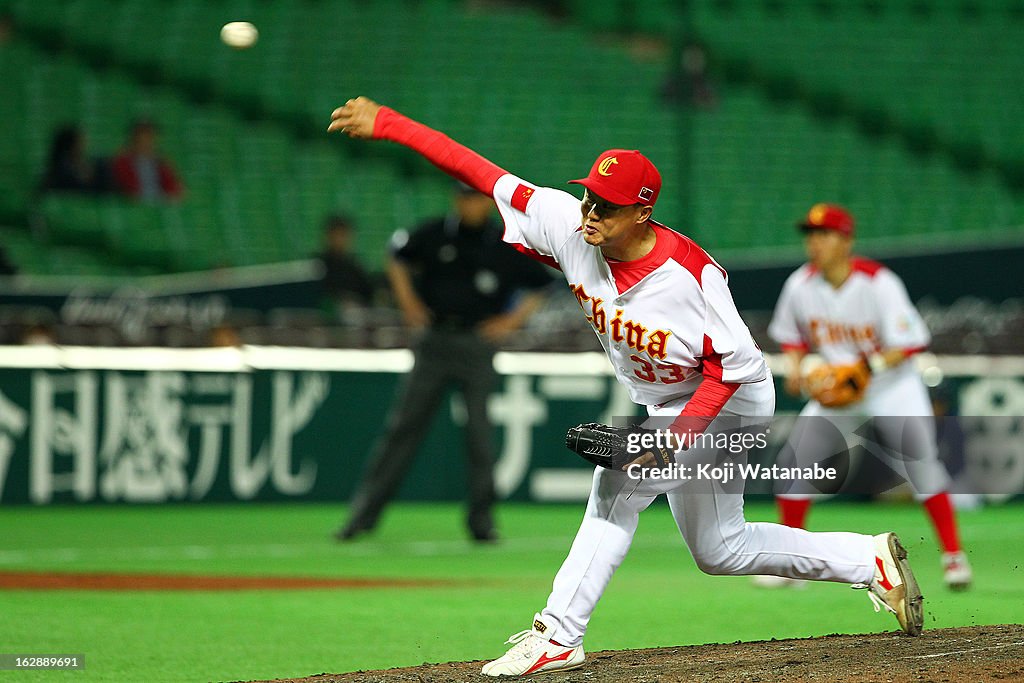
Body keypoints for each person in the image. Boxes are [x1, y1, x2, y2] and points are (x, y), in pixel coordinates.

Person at [328, 97, 924, 677]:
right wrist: (391, 125)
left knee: (617, 484)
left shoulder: (692, 277)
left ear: (642, 213)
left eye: (607, 205)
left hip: (730, 399)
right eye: (589, 194)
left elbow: (732, 368)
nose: (590, 211)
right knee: (722, 550)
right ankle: (866, 559)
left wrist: (674, 441)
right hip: (667, 398)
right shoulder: (569, 223)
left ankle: (558, 635)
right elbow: (482, 174)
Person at [763, 203, 971, 591]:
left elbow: (909, 342)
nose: (814, 243)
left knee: (922, 467)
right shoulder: (800, 284)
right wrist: (796, 368)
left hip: (891, 386)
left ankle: (954, 558)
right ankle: (792, 567)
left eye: (824, 234)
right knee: (794, 467)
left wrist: (864, 369)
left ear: (846, 241)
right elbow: (791, 337)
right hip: (837, 391)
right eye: (810, 235)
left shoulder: (879, 282)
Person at [335, 182, 553, 544]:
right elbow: (396, 256)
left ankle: (481, 522)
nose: (471, 205)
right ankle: (362, 516)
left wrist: (511, 321)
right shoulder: (434, 233)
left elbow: (542, 283)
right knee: (402, 430)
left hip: (476, 344)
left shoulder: (502, 243)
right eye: (465, 198)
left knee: (480, 437)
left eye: (477, 198)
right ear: (457, 200)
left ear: (487, 203)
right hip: (435, 341)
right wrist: (409, 304)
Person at [315, 214, 376, 319]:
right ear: (328, 236)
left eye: (342, 235)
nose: (339, 240)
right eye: (335, 234)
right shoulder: (316, 266)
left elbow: (369, 297)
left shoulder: (355, 268)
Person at [111, 120, 184, 201]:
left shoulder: (161, 162)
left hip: (161, 204)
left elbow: (175, 187)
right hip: (134, 206)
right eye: (142, 138)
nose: (146, 142)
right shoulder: (122, 162)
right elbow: (126, 191)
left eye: (150, 137)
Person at [40, 125, 105, 194]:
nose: (84, 146)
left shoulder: (80, 164)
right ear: (71, 145)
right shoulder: (62, 170)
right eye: (80, 142)